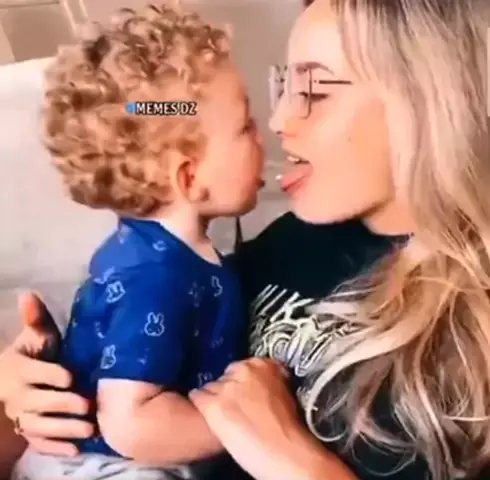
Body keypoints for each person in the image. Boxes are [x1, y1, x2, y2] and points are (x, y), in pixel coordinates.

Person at [1, 0, 489, 479]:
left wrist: (290, 456)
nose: (278, 122)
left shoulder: (474, 321)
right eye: (285, 86)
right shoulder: (286, 244)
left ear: (428, 102)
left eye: (314, 91)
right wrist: (33, 395)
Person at [8, 3, 264, 480]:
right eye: (246, 126)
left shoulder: (158, 252)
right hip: (107, 468)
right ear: (189, 178)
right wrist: (250, 429)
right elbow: (130, 423)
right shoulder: (157, 277)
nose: (264, 136)